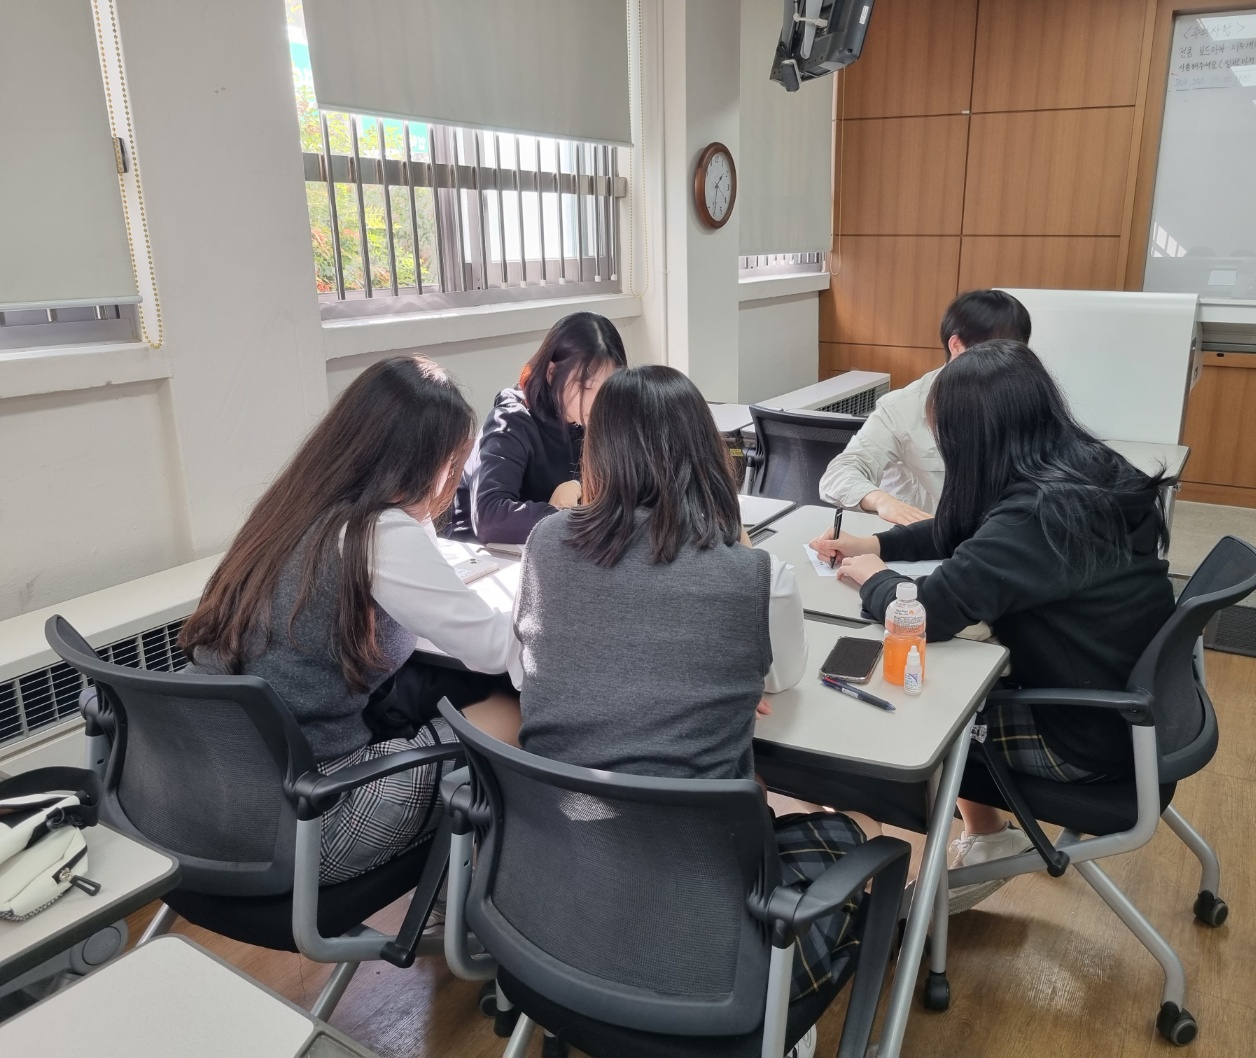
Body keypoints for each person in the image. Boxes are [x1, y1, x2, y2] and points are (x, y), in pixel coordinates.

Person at [512, 364, 864, 1034]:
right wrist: (725, 670)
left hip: (555, 903)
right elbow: (783, 677)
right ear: (708, 456)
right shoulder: (744, 572)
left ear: (596, 453)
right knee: (844, 836)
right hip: (701, 945)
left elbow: (531, 661)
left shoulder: (545, 543)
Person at [811, 340, 1175, 912]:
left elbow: (930, 612)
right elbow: (970, 529)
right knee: (931, 684)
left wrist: (874, 578)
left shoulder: (1039, 514)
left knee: (890, 723)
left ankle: (860, 895)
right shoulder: (1080, 467)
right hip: (1126, 704)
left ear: (973, 437)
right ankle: (984, 836)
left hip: (1080, 738)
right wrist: (877, 543)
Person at [182, 355, 521, 885]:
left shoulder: (290, 509)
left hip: (197, 806)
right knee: (512, 714)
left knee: (429, 698)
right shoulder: (376, 534)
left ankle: (448, 898)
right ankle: (477, 907)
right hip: (306, 820)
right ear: (424, 462)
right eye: (452, 463)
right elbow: (495, 648)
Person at [818, 289, 1031, 525]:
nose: (1006, 365)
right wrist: (882, 501)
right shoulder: (904, 406)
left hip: (996, 533)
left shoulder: (1024, 400)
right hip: (919, 535)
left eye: (1014, 354)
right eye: (995, 353)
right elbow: (838, 474)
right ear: (957, 346)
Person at [464, 311, 628, 545]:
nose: (598, 401)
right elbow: (489, 518)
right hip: (489, 556)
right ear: (552, 373)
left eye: (608, 387)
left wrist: (579, 487)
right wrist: (568, 516)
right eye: (586, 386)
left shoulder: (597, 416)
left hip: (556, 548)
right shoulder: (510, 421)